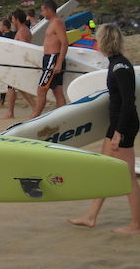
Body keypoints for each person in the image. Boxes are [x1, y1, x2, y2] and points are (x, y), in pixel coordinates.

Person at [68, 24, 140, 234]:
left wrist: (118, 132)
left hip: (123, 126)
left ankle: (136, 225)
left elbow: (128, 101)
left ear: (104, 42)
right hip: (118, 124)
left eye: (97, 39)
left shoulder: (120, 67)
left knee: (126, 176)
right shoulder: (116, 64)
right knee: (105, 170)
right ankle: (91, 217)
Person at [30, 0, 68, 118]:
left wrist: (59, 63)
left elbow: (65, 43)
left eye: (43, 10)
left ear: (49, 10)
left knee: (41, 90)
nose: (42, 13)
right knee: (57, 90)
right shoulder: (52, 23)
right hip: (50, 59)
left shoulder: (57, 23)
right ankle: (63, 116)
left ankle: (34, 117)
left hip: (53, 59)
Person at [0, 10, 36, 120]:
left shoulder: (22, 32)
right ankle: (34, 108)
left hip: (19, 63)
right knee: (17, 88)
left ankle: (11, 113)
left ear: (18, 19)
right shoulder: (23, 30)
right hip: (18, 63)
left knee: (12, 87)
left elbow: (23, 49)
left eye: (13, 19)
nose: (12, 21)